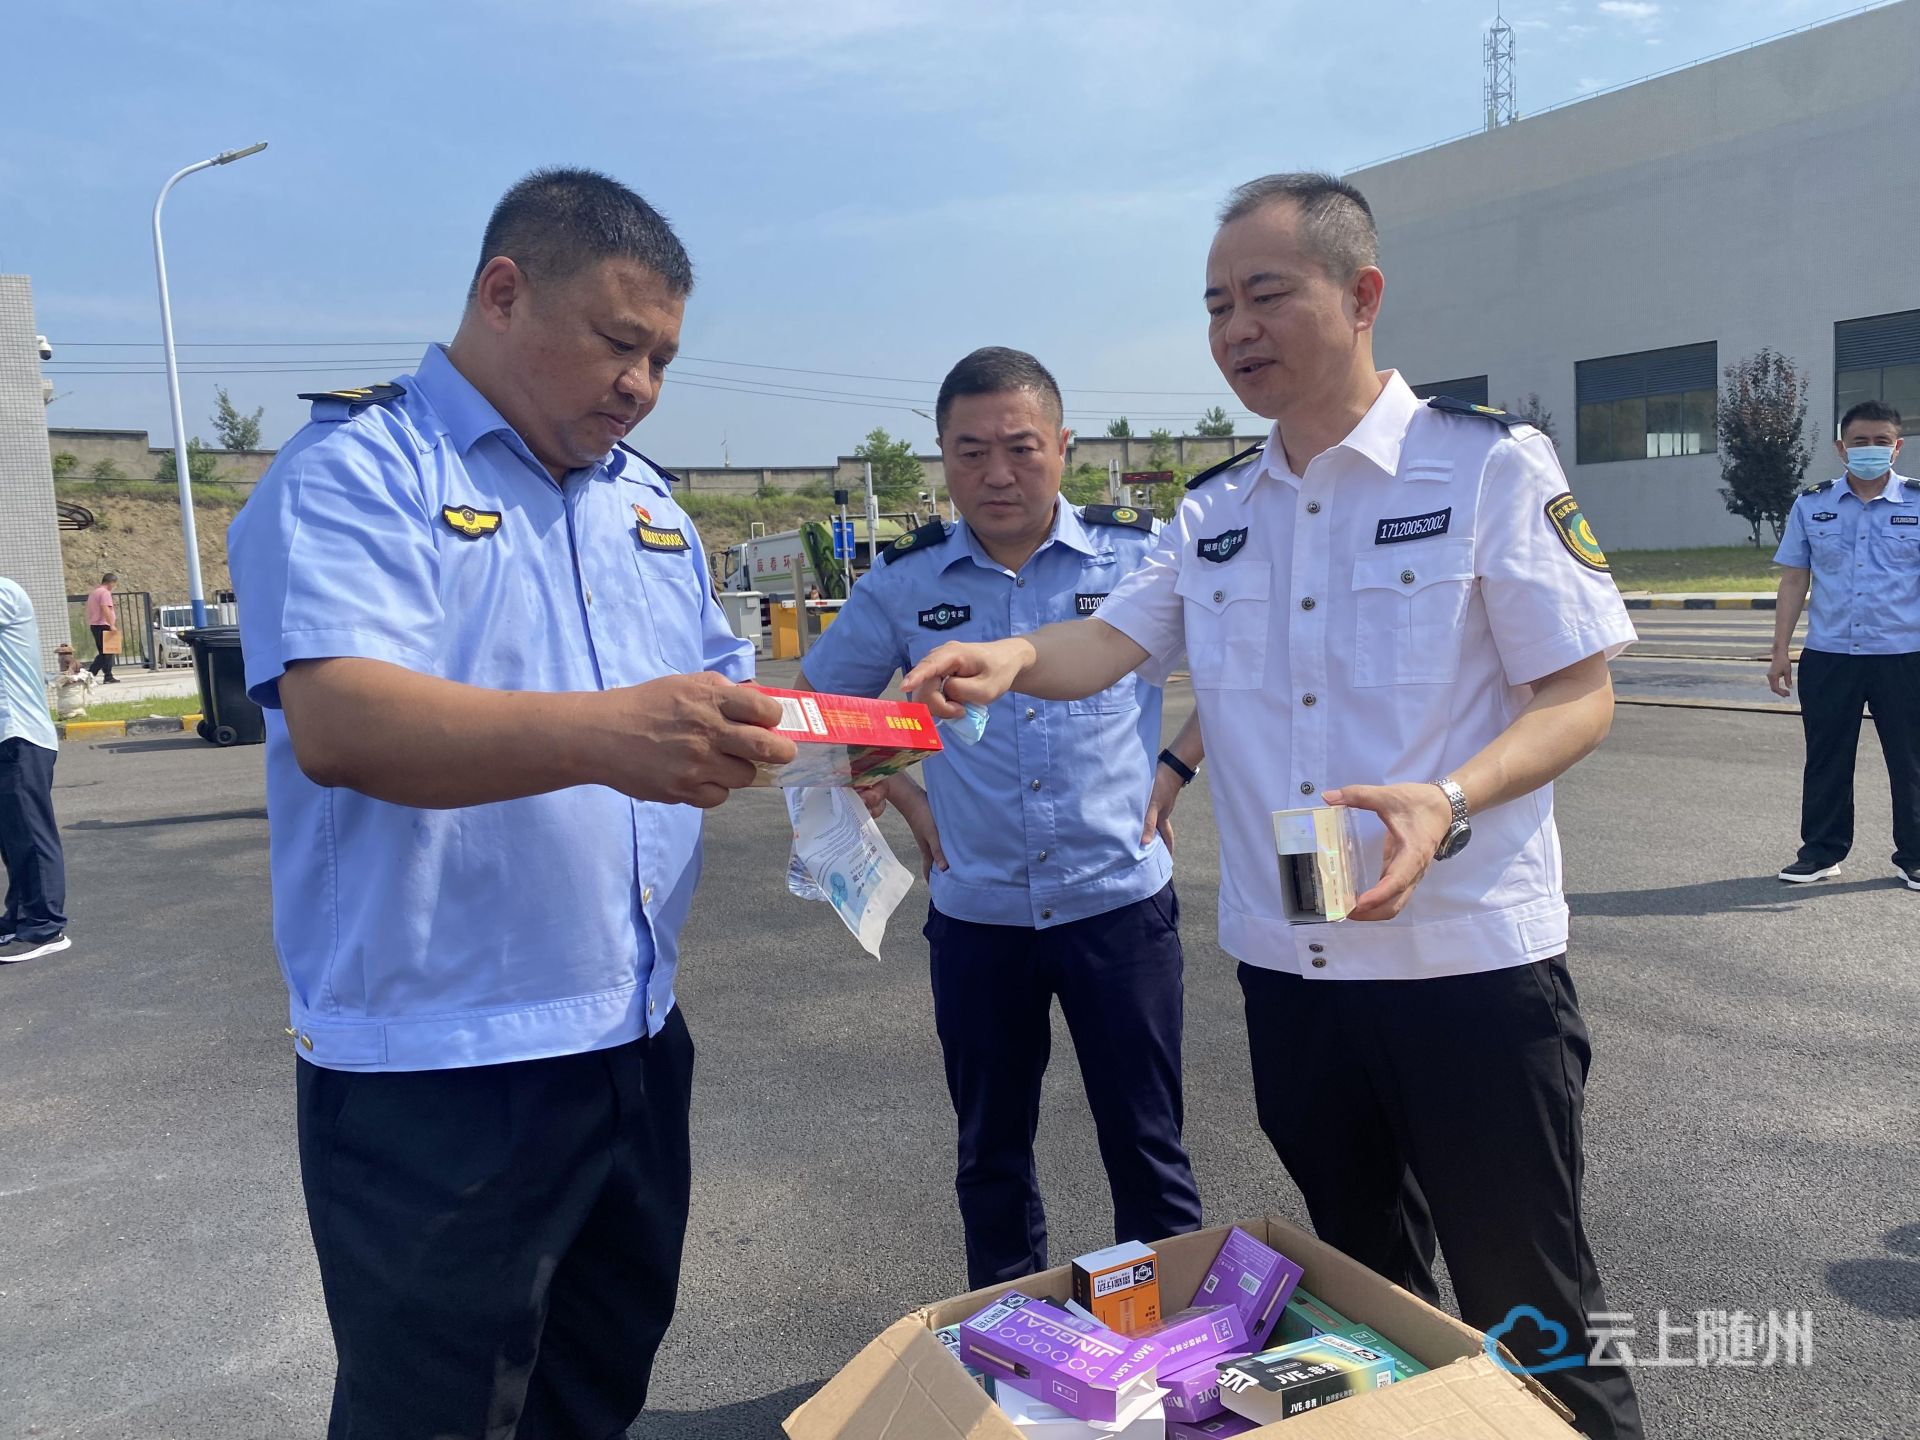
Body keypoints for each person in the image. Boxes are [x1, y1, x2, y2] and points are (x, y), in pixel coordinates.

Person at [903, 174, 1643, 1438]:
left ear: (1361, 296)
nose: (1236, 328)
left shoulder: (1485, 465)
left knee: (1535, 1315)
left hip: (1466, 970)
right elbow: (1108, 644)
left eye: (1264, 295)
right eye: (1215, 306)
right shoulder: (1217, 511)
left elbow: (1580, 696)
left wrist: (1448, 797)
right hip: (1297, 977)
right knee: (1367, 1311)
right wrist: (1014, 656)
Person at [226, 167, 796, 1440]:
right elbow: (340, 719)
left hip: (633, 1040)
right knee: (437, 1415)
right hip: (443, 1069)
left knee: (592, 1394)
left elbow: (724, 692)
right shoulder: (359, 472)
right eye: (617, 342)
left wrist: (844, 737)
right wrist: (613, 735)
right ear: (502, 293)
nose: (640, 384)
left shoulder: (644, 503)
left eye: (663, 359)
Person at [797, 347, 1203, 1288]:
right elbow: (820, 708)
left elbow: (1240, 667)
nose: (997, 474)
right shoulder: (905, 582)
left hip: (1117, 904)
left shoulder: (1138, 558)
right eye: (970, 452)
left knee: (1148, 1148)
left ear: (1064, 447)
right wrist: (902, 792)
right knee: (990, 1156)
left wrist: (1176, 766)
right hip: (979, 914)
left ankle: (1166, 1341)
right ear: (942, 457)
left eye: (1021, 448)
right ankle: (1010, 1341)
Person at [1769, 400, 1918, 889]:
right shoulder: (1812, 504)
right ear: (1841, 448)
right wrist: (1780, 650)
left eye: (1881, 441)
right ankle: (1821, 852)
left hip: (1904, 655)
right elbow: (1795, 579)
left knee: (1911, 759)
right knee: (1826, 757)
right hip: (1831, 655)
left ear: (1897, 447)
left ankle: (1915, 855)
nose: (1870, 449)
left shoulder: (1917, 502)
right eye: (1860, 441)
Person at [0, 577, 71, 963]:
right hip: (8, 737)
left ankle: (45, 926)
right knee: (13, 839)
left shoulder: (4, 592)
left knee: (30, 834)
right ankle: (19, 918)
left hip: (19, 735)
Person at [84, 572, 118, 683]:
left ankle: (108, 675)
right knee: (106, 652)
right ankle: (90, 674)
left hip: (95, 625)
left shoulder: (94, 593)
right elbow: (105, 608)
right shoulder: (105, 593)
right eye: (114, 584)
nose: (114, 587)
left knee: (106, 652)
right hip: (103, 625)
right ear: (111, 582)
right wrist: (111, 624)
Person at [53, 643, 96, 720]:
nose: (61, 658)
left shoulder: (69, 659)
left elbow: (72, 667)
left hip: (72, 676)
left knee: (73, 698)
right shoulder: (67, 659)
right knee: (69, 699)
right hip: (69, 677)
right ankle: (69, 713)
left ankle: (72, 712)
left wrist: (69, 672)